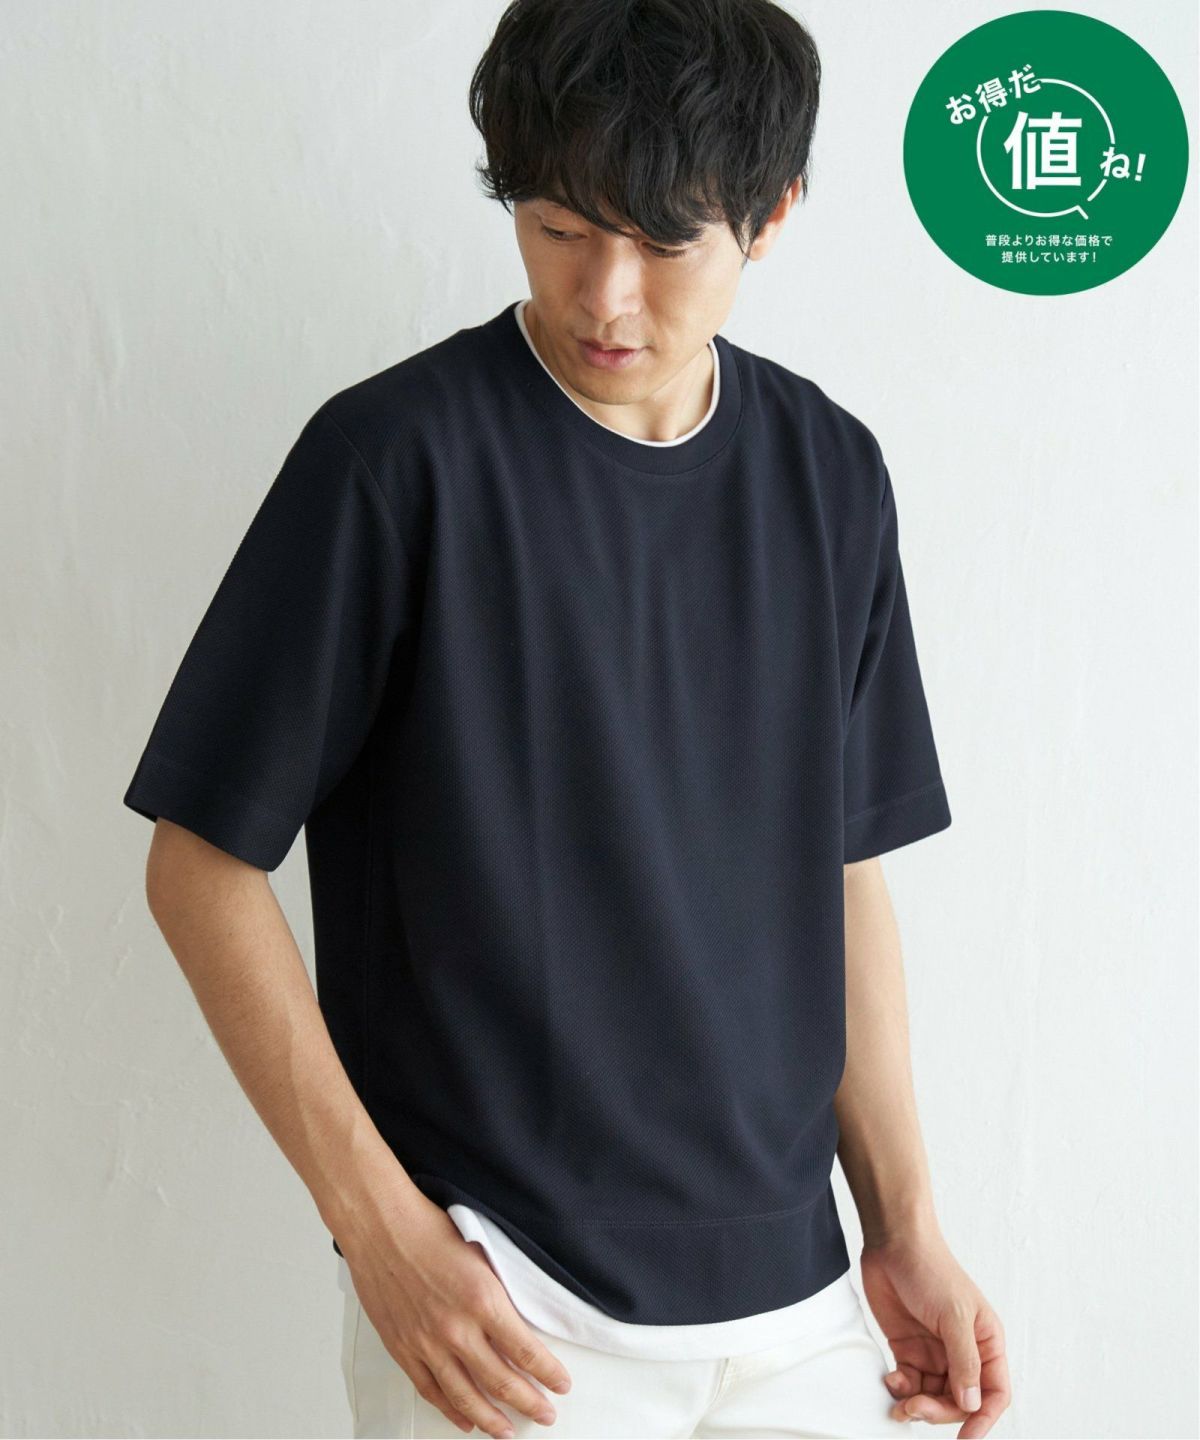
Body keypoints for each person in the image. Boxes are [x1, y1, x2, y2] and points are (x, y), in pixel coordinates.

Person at [123, 0, 1012, 1436]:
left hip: (800, 1317)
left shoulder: (832, 475)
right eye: (557, 227)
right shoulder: (392, 464)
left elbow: (842, 873)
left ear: (773, 215)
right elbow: (200, 862)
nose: (605, 296)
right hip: (508, 1320)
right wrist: (381, 1233)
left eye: (665, 243)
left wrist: (906, 1224)